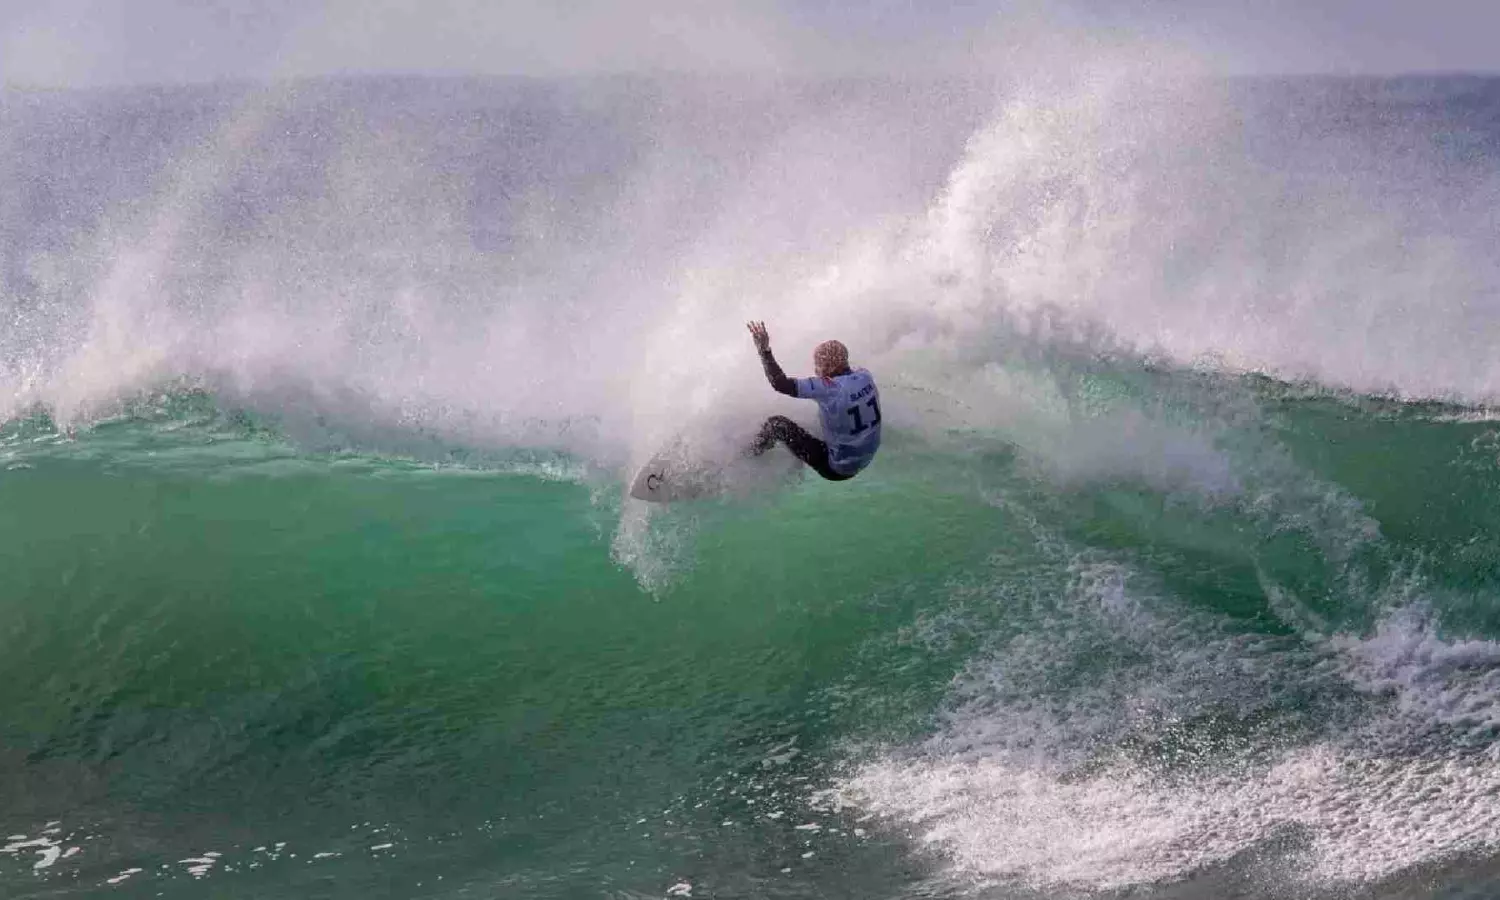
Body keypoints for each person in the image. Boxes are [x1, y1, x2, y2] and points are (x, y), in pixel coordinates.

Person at [746, 321, 881, 481]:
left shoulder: (828, 388)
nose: (816, 370)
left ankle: (749, 454)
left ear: (828, 368)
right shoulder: (865, 376)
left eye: (818, 365)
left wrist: (764, 350)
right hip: (866, 457)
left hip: (838, 469)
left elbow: (780, 384)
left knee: (777, 424)